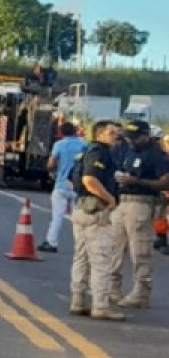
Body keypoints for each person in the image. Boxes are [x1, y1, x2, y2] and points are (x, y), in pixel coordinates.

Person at [107, 120, 169, 308]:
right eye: (129, 137)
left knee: (139, 251)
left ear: (146, 136)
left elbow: (164, 182)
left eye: (135, 137)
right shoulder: (128, 150)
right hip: (123, 201)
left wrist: (137, 181)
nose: (131, 141)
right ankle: (112, 288)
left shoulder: (156, 154)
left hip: (141, 202)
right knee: (115, 248)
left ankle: (141, 292)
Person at [69, 120, 125, 321]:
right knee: (101, 259)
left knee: (81, 258)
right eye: (112, 132)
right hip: (96, 211)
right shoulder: (100, 152)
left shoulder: (85, 151)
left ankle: (78, 300)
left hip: (82, 208)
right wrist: (109, 199)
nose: (116, 136)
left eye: (117, 133)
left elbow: (71, 178)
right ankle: (100, 306)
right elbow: (89, 180)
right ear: (99, 134)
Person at [39, 122, 87, 253]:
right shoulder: (84, 145)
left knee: (57, 216)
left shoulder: (59, 145)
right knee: (78, 218)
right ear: (75, 131)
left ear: (61, 133)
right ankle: (81, 245)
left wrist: (53, 169)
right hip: (78, 186)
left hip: (61, 185)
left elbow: (51, 164)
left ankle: (51, 242)